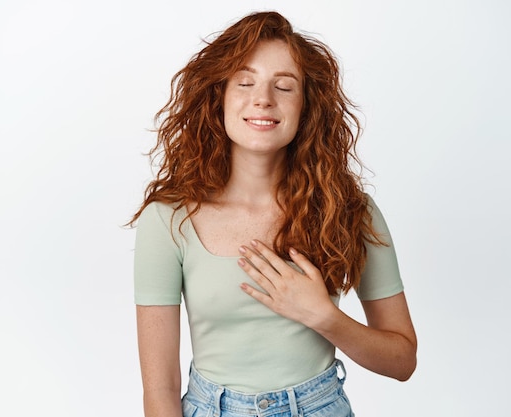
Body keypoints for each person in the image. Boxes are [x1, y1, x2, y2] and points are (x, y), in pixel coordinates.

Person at [129, 10, 417, 417]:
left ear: (306, 107)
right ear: (220, 98)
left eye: (284, 86)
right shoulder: (168, 219)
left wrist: (324, 316)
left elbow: (402, 360)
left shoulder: (352, 210)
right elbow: (160, 390)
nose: (263, 98)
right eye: (245, 82)